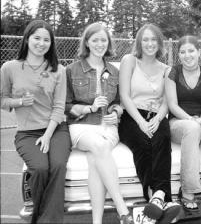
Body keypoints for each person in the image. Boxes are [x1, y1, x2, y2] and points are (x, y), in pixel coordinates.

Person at [0, 20, 71, 224]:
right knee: (39, 168)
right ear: (27, 39)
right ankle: (41, 217)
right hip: (27, 133)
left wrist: (48, 135)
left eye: (46, 39)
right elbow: (2, 100)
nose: (41, 43)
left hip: (56, 129)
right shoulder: (9, 68)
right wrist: (19, 102)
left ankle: (48, 220)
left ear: (51, 43)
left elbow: (59, 107)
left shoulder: (59, 70)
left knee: (58, 166)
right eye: (37, 38)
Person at [65, 23, 133, 224]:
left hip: (108, 127)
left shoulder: (114, 71)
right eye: (95, 40)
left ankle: (97, 221)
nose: (100, 44)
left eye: (104, 40)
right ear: (87, 42)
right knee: (99, 147)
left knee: (96, 160)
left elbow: (119, 102)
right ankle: (122, 209)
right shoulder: (71, 69)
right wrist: (88, 108)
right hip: (81, 126)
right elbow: (66, 105)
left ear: (109, 43)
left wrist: (116, 112)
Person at [118, 23, 180, 224]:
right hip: (132, 115)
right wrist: (141, 122)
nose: (149, 43)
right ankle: (160, 195)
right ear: (139, 42)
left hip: (157, 115)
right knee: (143, 144)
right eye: (145, 39)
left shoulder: (166, 69)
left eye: (154, 39)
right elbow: (125, 96)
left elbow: (166, 101)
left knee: (162, 140)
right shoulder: (129, 61)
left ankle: (156, 200)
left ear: (159, 43)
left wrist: (158, 118)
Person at [165, 35, 201, 213]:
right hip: (179, 122)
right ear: (178, 55)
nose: (187, 55)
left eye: (191, 51)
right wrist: (192, 120)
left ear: (199, 52)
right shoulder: (172, 73)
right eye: (182, 52)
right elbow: (172, 105)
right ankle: (188, 191)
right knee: (191, 128)